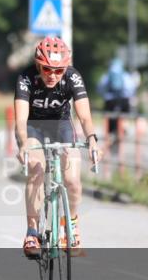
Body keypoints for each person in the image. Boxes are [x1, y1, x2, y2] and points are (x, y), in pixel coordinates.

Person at [14, 36, 101, 257]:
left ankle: (71, 226)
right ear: (38, 65)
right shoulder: (26, 78)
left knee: (72, 179)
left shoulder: (72, 77)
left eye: (58, 70)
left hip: (61, 125)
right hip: (33, 127)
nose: (52, 75)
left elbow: (85, 116)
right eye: (47, 69)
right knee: (36, 170)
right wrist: (23, 144)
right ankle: (32, 232)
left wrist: (92, 139)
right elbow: (21, 120)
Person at [97, 58, 135, 152]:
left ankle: (109, 136)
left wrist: (105, 95)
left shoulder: (107, 75)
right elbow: (131, 88)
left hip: (110, 101)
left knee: (109, 121)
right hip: (123, 101)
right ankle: (125, 126)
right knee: (124, 116)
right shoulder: (125, 75)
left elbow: (100, 88)